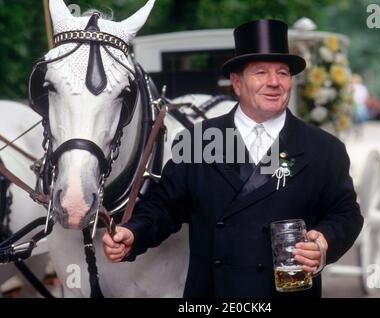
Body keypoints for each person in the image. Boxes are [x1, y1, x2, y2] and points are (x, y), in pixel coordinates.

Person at [103, 19, 363, 298]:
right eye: (261, 72)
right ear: (237, 84)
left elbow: (345, 213)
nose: (274, 83)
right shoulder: (196, 141)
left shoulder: (324, 149)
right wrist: (134, 233)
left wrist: (324, 243)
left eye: (283, 73)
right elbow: (164, 206)